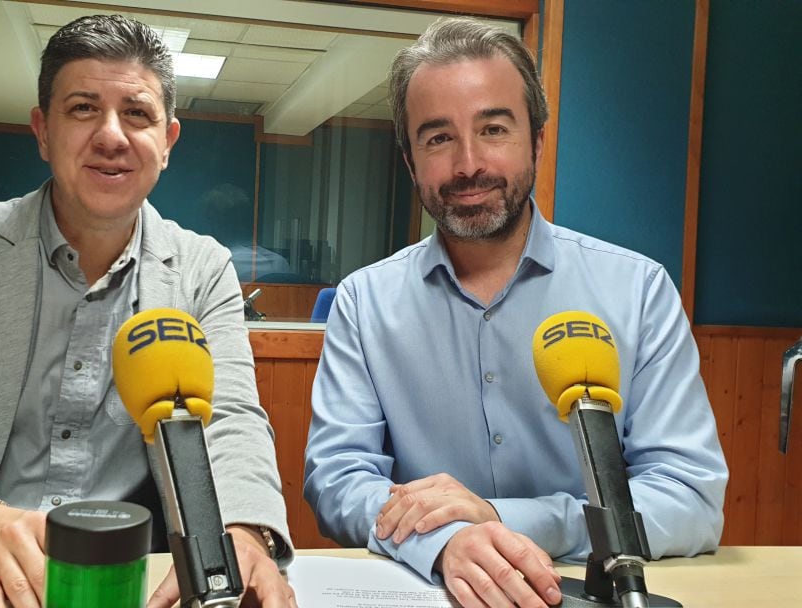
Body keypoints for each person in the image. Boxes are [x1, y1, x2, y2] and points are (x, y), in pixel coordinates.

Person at [0, 15, 295, 608]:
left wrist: (240, 534)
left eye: (137, 113)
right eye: (82, 108)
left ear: (168, 141)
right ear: (43, 131)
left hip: (127, 580)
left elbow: (230, 425)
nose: (111, 135)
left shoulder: (202, 268)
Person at [303, 16, 727, 608]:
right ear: (409, 160)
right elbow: (338, 479)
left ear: (537, 139)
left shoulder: (638, 291)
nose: (468, 164)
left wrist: (504, 520)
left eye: (494, 128)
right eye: (437, 137)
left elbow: (689, 500)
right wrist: (448, 543)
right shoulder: (363, 302)